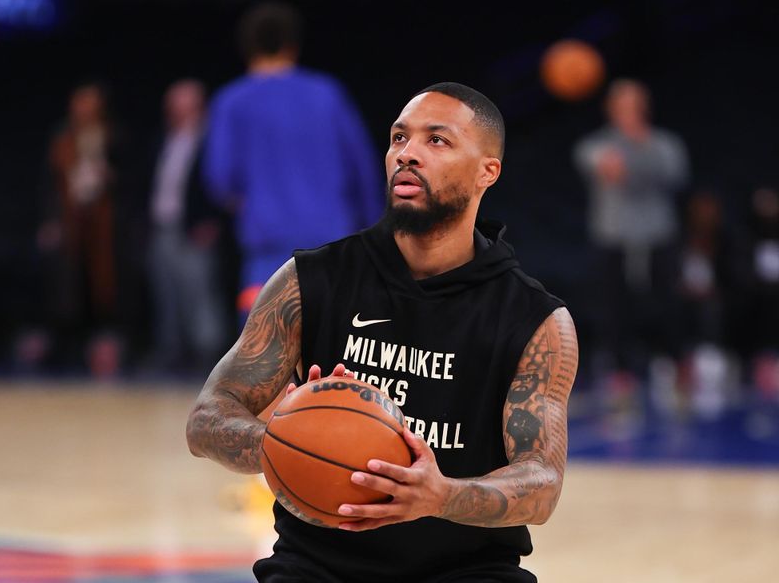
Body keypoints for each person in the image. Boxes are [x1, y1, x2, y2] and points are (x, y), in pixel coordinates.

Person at [187, 82, 578, 582]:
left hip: (466, 570)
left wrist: (440, 495)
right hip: (317, 566)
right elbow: (205, 419)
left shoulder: (534, 319)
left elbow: (542, 484)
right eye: (398, 138)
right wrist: (282, 440)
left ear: (488, 171)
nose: (407, 154)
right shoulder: (311, 280)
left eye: (436, 140)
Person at [203, 0, 384, 322]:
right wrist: (373, 228)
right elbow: (363, 167)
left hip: (267, 248)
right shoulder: (327, 94)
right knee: (335, 350)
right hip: (332, 242)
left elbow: (220, 179)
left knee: (263, 357)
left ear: (246, 46)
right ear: (292, 44)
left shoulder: (232, 102)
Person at [573, 78, 689, 383]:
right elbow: (603, 166)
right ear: (610, 109)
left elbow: (675, 174)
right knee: (613, 308)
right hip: (612, 236)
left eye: (634, 105)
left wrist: (639, 146)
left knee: (668, 303)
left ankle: (676, 367)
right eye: (621, 105)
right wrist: (619, 162)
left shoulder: (665, 144)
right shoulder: (595, 145)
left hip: (658, 235)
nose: (628, 111)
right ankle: (619, 376)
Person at [39, 81, 125, 375]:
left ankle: (104, 351)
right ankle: (68, 351)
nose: (84, 110)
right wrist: (50, 221)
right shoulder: (62, 138)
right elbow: (49, 184)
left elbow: (130, 180)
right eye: (80, 104)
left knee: (103, 287)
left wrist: (110, 177)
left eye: (90, 104)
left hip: (104, 228)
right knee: (68, 289)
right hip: (71, 224)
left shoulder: (113, 137)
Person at [145, 79, 228, 374]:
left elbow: (219, 185)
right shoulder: (164, 140)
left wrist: (211, 222)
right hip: (163, 226)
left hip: (195, 230)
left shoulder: (211, 141)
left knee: (199, 293)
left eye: (182, 104)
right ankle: (171, 352)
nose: (176, 110)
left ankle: (207, 356)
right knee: (167, 294)